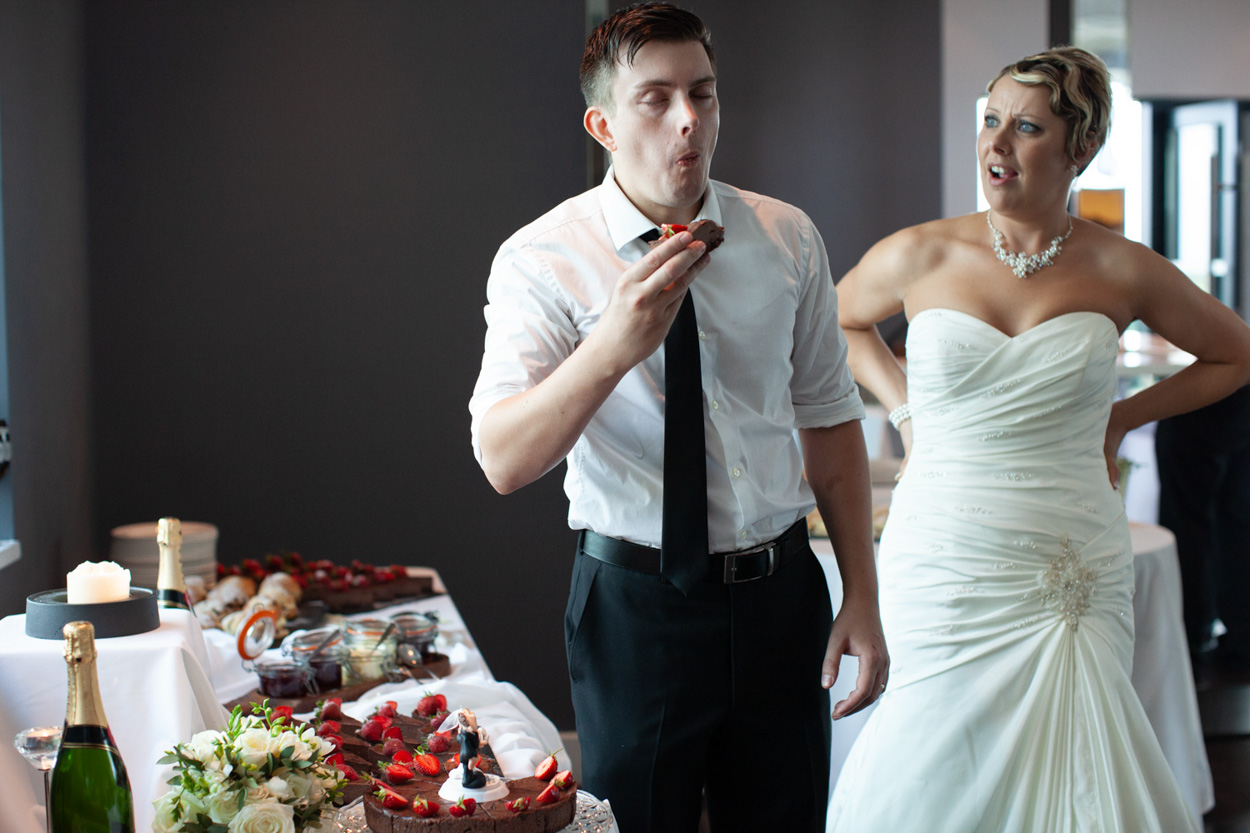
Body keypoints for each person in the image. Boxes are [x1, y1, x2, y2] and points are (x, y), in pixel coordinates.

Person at [468, 4, 887, 831]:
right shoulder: (542, 258)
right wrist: (614, 345)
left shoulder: (787, 237)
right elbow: (503, 458)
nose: (689, 119)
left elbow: (832, 425)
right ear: (603, 124)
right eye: (655, 98)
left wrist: (862, 597)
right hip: (636, 609)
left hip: (781, 598)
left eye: (703, 93)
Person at [826, 46, 1250, 832]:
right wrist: (906, 408)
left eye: (1025, 128)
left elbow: (1236, 352)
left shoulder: (1123, 267)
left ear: (1078, 148)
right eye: (990, 121)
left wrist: (1125, 415)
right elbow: (837, 320)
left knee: (1081, 757)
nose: (996, 145)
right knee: (933, 750)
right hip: (944, 547)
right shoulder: (922, 251)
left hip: (1071, 548)